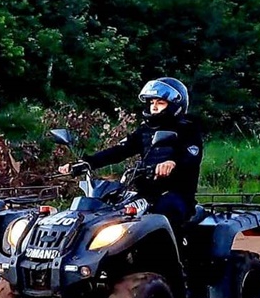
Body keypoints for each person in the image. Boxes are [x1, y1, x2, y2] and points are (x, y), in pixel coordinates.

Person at [59, 77, 204, 238]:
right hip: (147, 194)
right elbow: (119, 151)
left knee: (162, 215)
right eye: (152, 102)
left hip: (177, 195)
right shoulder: (145, 130)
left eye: (160, 103)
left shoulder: (188, 129)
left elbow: (192, 157)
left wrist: (172, 163)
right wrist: (86, 163)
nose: (154, 107)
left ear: (174, 105)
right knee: (113, 215)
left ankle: (171, 261)